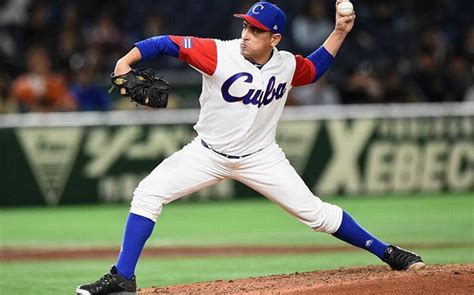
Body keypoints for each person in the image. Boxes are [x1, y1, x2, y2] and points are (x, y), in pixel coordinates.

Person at [76, 2, 424, 294]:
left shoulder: (285, 64)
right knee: (148, 193)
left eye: (256, 31)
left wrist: (340, 32)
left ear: (275, 38)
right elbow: (166, 42)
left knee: (317, 216)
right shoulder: (218, 53)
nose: (246, 34)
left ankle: (388, 253)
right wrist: (125, 62)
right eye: (246, 26)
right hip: (207, 154)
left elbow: (314, 69)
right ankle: (123, 278)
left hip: (262, 157)